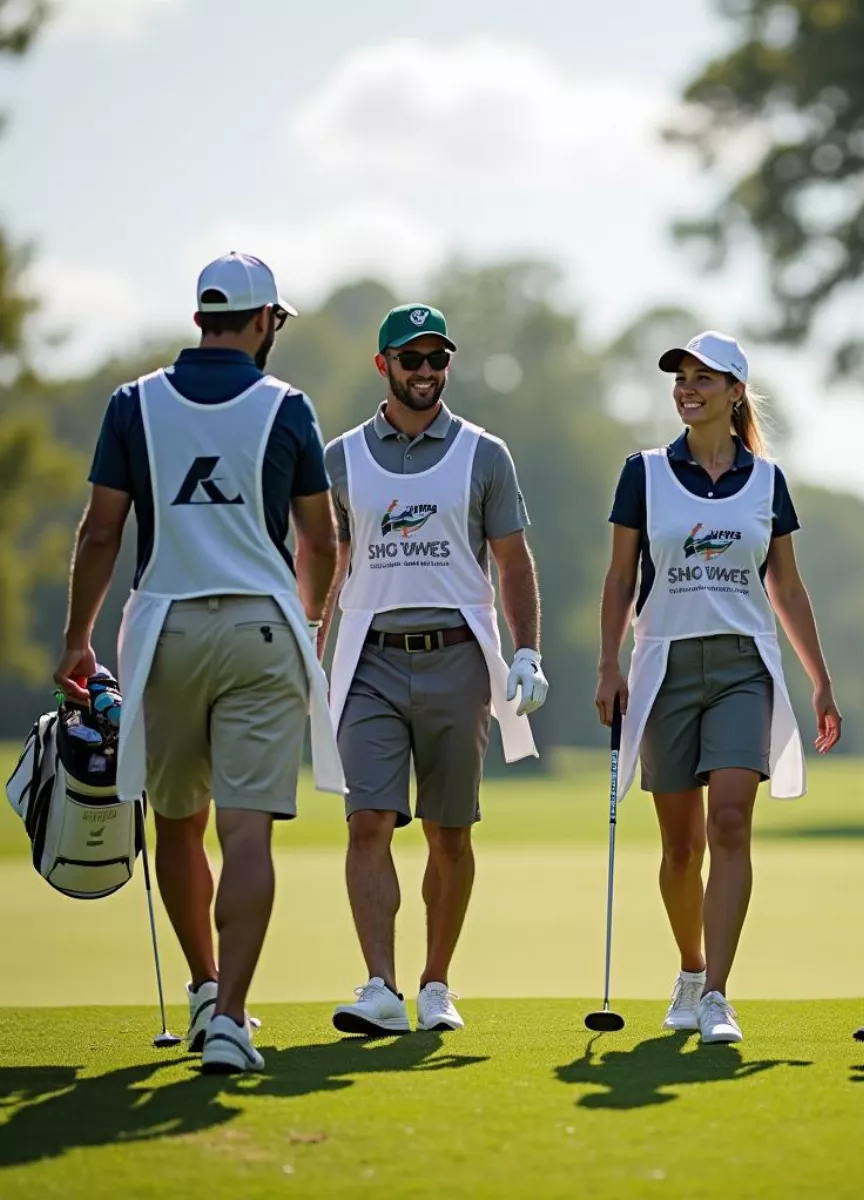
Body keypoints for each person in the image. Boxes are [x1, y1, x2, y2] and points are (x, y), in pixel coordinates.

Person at [55, 252, 344, 1075]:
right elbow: (320, 539)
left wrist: (78, 638)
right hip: (260, 630)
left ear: (199, 321)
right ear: (261, 323)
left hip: (164, 631)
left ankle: (205, 989)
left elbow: (101, 532)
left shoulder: (131, 403)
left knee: (176, 821)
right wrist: (310, 618)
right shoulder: (287, 406)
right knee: (246, 828)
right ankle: (232, 1021)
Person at [595, 330, 842, 1045]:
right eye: (682, 377)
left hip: (742, 665)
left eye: (705, 378)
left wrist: (820, 680)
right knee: (680, 848)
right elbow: (619, 579)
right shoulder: (642, 473)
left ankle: (719, 998)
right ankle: (692, 970)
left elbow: (787, 587)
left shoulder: (768, 481)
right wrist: (608, 666)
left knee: (728, 822)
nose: (688, 388)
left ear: (736, 393)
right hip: (663, 664)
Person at [322, 302, 548, 1036]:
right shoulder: (341, 457)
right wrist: (304, 637)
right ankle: (380, 987)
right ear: (381, 365)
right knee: (368, 823)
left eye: (436, 359)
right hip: (369, 663)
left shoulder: (486, 453)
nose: (425, 372)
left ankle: (436, 983)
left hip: (458, 660)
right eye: (410, 359)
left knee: (449, 834)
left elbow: (513, 561)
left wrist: (526, 650)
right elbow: (327, 561)